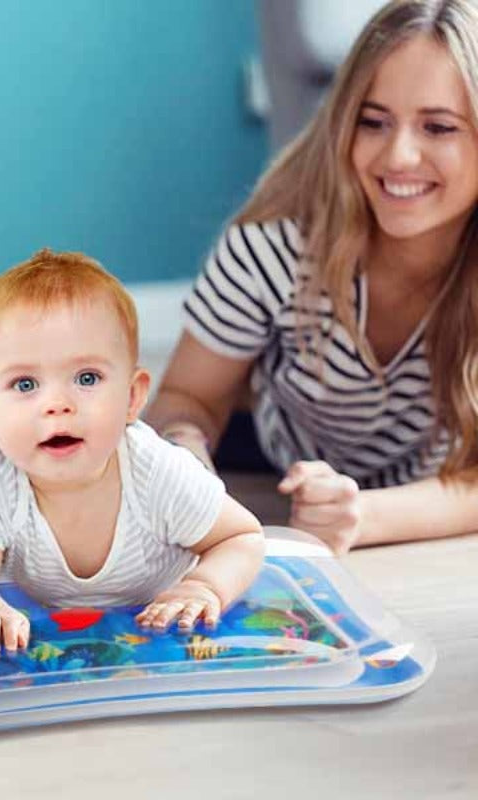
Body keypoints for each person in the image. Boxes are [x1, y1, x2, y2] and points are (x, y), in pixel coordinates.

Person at [146, 0, 478, 556]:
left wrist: (365, 516)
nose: (398, 155)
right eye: (372, 122)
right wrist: (185, 456)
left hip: (428, 465)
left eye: (438, 126)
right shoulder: (272, 246)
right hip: (285, 438)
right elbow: (184, 396)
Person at [0, 249, 264, 654]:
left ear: (131, 396)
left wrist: (205, 585)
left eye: (86, 377)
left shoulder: (157, 471)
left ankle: (188, 439)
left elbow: (242, 536)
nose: (56, 404)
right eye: (24, 384)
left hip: (169, 515)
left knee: (192, 478)